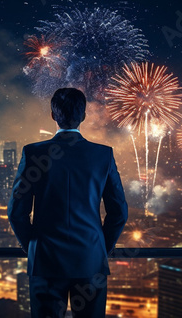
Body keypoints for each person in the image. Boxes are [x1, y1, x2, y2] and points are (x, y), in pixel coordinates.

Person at [8, 87, 128, 318]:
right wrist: (102, 247)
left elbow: (17, 213)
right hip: (90, 260)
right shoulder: (103, 155)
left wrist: (32, 245)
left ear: (53, 115)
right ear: (83, 116)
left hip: (46, 261)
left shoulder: (33, 153)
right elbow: (119, 212)